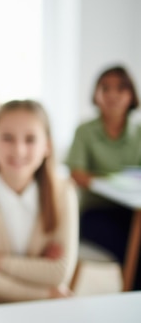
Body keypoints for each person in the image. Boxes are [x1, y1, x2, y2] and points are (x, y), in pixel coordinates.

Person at [0, 100, 79, 306]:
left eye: (30, 139)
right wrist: (45, 294)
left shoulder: (64, 194)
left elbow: (59, 273)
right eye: (7, 138)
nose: (19, 150)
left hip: (42, 314)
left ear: (47, 146)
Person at [66, 65, 141, 289]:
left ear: (131, 95)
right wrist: (109, 182)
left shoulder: (138, 134)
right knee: (132, 248)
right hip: (93, 213)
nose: (112, 95)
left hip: (130, 212)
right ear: (96, 95)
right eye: (105, 88)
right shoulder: (85, 132)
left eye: (120, 88)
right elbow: (76, 174)